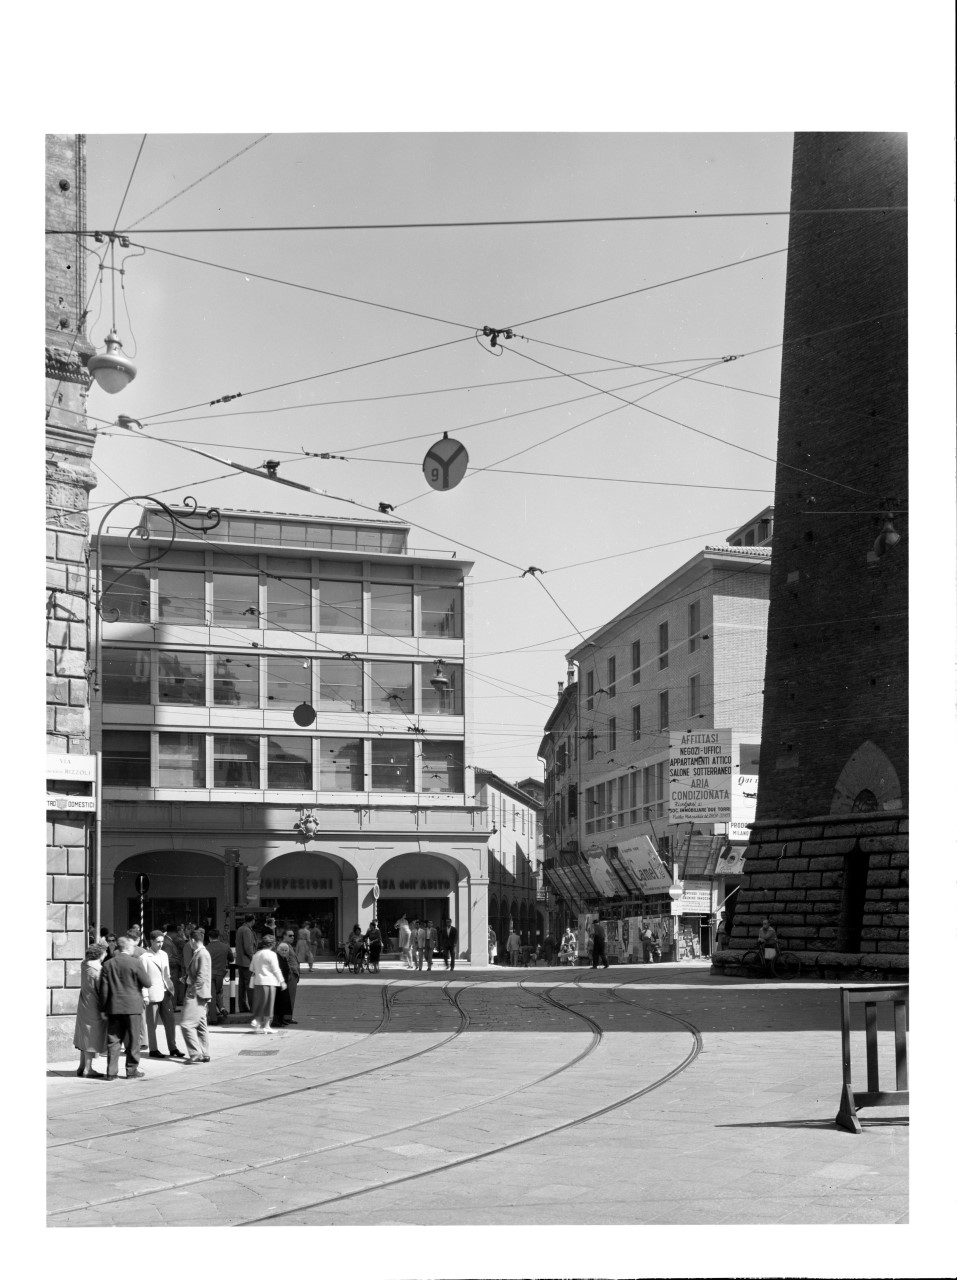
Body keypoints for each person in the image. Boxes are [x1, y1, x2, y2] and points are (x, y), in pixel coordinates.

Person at [99, 934, 151, 1079]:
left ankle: (111, 1072)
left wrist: (103, 1009)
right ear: (128, 948)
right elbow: (147, 983)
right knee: (134, 1039)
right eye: (133, 946)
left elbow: (104, 990)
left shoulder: (108, 964)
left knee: (113, 1040)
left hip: (114, 1007)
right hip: (133, 1007)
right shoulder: (136, 963)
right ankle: (131, 1070)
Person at [142, 929, 184, 1058]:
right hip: (153, 994)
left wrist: (170, 988)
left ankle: (173, 1048)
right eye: (157, 942)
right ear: (151, 941)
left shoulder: (164, 954)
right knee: (152, 1024)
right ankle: (153, 1049)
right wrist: (145, 995)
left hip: (166, 993)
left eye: (161, 941)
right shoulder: (144, 957)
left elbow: (167, 974)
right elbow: (143, 978)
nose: (160, 944)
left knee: (170, 1022)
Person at [73, 944, 108, 1077]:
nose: (105, 955)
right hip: (94, 1004)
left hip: (84, 1002)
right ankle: (88, 1069)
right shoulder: (98, 970)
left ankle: (82, 1066)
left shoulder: (85, 964)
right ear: (100, 954)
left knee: (84, 1034)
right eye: (105, 953)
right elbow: (101, 990)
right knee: (91, 1035)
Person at [180, 929, 212, 1063]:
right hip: (199, 992)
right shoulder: (200, 953)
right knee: (201, 1024)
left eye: (189, 941)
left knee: (186, 1024)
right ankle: (204, 1053)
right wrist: (187, 978)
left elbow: (202, 976)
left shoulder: (202, 954)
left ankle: (195, 1053)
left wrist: (193, 991)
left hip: (197, 994)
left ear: (192, 940)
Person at [249, 935, 285, 1034]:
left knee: (260, 1003)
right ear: (273, 944)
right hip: (270, 982)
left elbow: (251, 968)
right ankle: (266, 1025)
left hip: (258, 982)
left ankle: (258, 1022)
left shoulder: (256, 954)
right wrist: (282, 981)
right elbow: (276, 969)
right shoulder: (272, 955)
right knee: (269, 1005)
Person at [234, 914, 258, 1013]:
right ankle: (253, 1007)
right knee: (250, 986)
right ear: (252, 920)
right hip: (247, 962)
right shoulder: (247, 930)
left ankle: (242, 1007)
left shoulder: (241, 929)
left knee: (242, 986)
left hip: (241, 961)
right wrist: (253, 958)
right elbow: (248, 947)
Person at [277, 928, 301, 1021]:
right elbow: (284, 960)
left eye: (293, 935)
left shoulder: (289, 946)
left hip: (293, 973)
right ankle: (287, 1017)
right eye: (290, 935)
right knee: (289, 996)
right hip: (290, 974)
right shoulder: (284, 946)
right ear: (284, 936)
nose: (292, 937)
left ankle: (287, 1016)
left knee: (291, 996)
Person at [207, 928, 230, 1024]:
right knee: (218, 991)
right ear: (218, 936)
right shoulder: (225, 947)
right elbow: (231, 959)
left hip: (209, 974)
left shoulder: (206, 948)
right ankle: (222, 1007)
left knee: (211, 996)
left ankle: (213, 1019)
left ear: (209, 938)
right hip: (221, 974)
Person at [273, 943, 294, 1026]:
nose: (284, 952)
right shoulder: (277, 958)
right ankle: (276, 1021)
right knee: (278, 1003)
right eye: (282, 950)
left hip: (283, 982)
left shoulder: (284, 958)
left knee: (284, 1002)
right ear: (279, 950)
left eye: (286, 950)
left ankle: (281, 1020)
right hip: (278, 983)